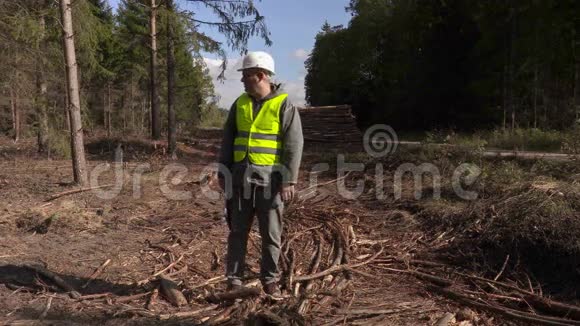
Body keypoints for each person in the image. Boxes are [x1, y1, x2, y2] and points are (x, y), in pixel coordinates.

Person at [218, 51, 304, 296]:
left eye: (247, 76)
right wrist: (223, 172)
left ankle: (270, 281)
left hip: (271, 181)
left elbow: (294, 145)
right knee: (237, 232)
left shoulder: (284, 104)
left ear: (262, 75)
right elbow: (228, 140)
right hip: (240, 179)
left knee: (271, 233)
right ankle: (233, 280)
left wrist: (289, 180)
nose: (243, 80)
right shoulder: (240, 103)